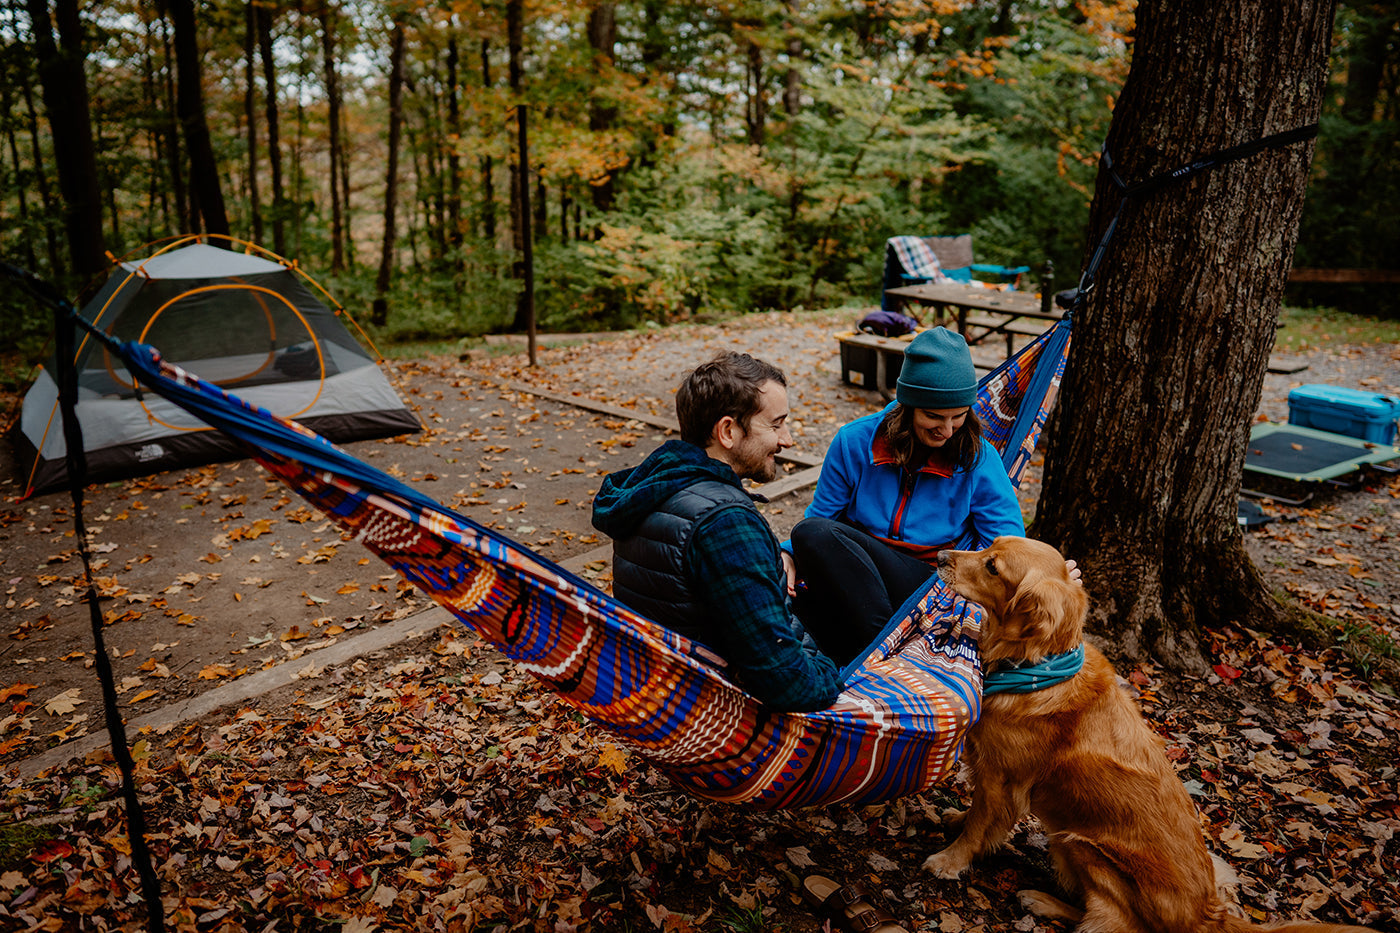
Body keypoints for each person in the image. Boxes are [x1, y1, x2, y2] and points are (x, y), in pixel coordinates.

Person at [590, 351, 843, 712]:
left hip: (669, 694)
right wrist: (837, 675)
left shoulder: (652, 488)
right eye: (776, 424)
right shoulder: (724, 522)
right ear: (727, 431)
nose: (786, 440)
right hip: (725, 713)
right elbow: (790, 685)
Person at [782, 327, 1027, 665]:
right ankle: (879, 650)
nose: (948, 430)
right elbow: (822, 519)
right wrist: (789, 555)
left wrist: (1043, 576)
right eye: (934, 417)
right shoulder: (854, 442)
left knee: (820, 563)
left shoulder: (979, 458)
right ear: (908, 406)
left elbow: (1007, 543)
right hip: (859, 574)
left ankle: (880, 654)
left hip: (932, 582)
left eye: (959, 417)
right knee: (809, 537)